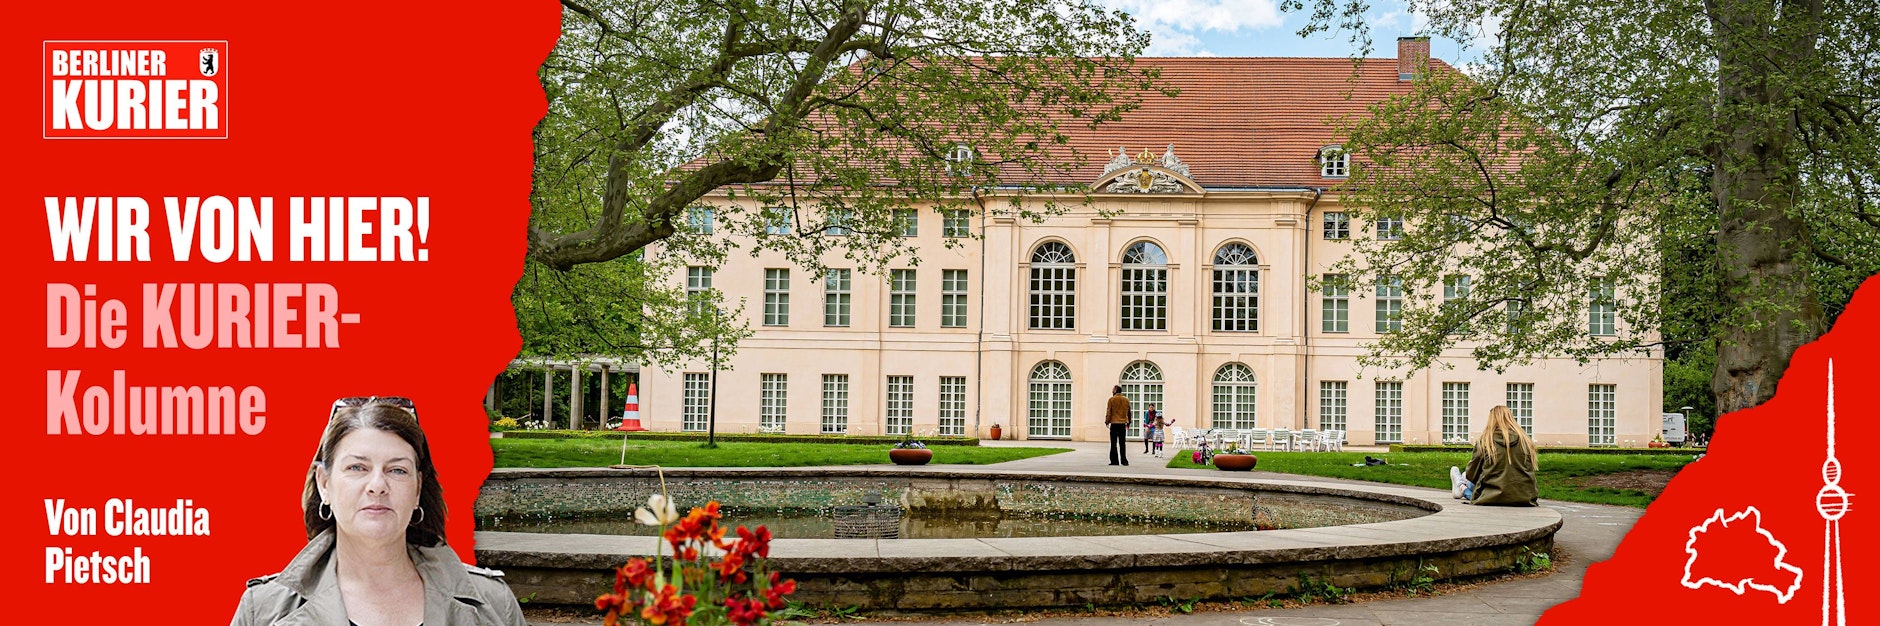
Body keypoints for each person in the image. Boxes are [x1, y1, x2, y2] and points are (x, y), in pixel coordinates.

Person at [232, 397, 526, 626]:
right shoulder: (264, 610)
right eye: (357, 467)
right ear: (324, 484)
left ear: (417, 489)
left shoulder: (493, 605)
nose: (377, 485)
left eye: (397, 470)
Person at [1449, 405, 1540, 506]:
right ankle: (1461, 483)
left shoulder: (1486, 442)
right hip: (1525, 498)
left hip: (1492, 497)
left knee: (1469, 481)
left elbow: (1472, 474)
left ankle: (1461, 486)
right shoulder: (1525, 441)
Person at [1106, 385, 1131, 466]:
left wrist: (1107, 421)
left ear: (1116, 390)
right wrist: (1129, 422)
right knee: (1122, 443)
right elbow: (1129, 412)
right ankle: (1124, 460)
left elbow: (1109, 412)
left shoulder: (1111, 400)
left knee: (1113, 443)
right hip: (1122, 424)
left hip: (1114, 423)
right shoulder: (1126, 400)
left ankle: (1114, 461)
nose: (1112, 391)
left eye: (1113, 389)